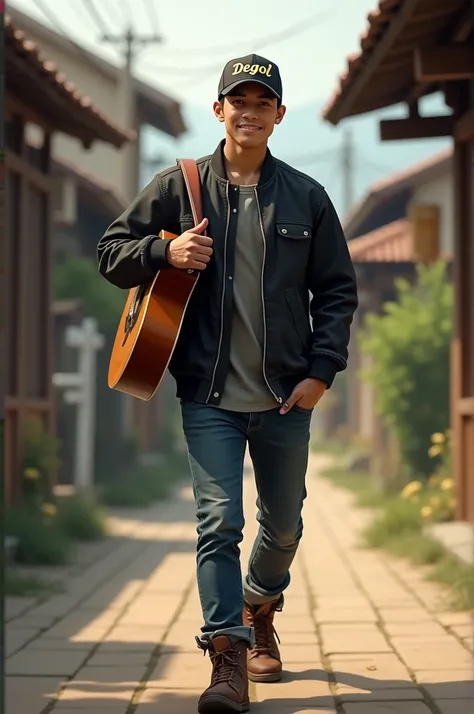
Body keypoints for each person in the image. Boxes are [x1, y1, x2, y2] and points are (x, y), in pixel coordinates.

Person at [98, 53, 358, 713]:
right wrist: (164, 250)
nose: (248, 112)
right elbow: (110, 253)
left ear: (277, 115)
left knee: (285, 528)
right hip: (208, 395)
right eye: (236, 101)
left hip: (283, 396)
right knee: (218, 522)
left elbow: (336, 293)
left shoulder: (307, 197)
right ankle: (227, 658)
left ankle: (259, 604)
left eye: (261, 102)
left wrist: (322, 372)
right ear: (219, 111)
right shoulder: (178, 187)